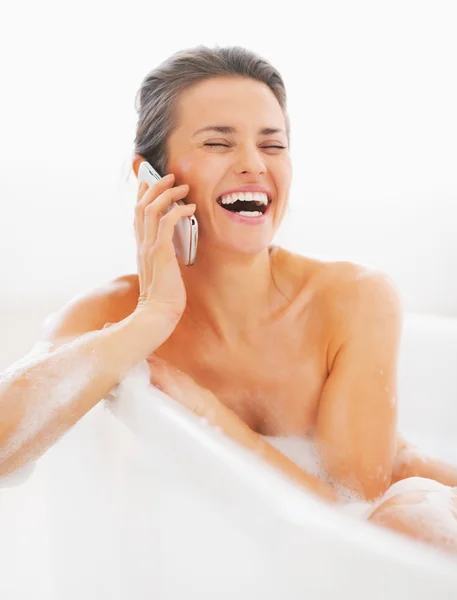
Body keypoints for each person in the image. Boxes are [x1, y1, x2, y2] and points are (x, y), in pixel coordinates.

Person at [0, 45, 456, 553]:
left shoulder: (351, 300)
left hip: (425, 508)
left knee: (407, 522)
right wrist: (153, 317)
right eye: (218, 143)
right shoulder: (113, 317)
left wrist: (209, 416)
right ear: (150, 177)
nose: (253, 165)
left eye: (273, 145)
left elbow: (353, 524)